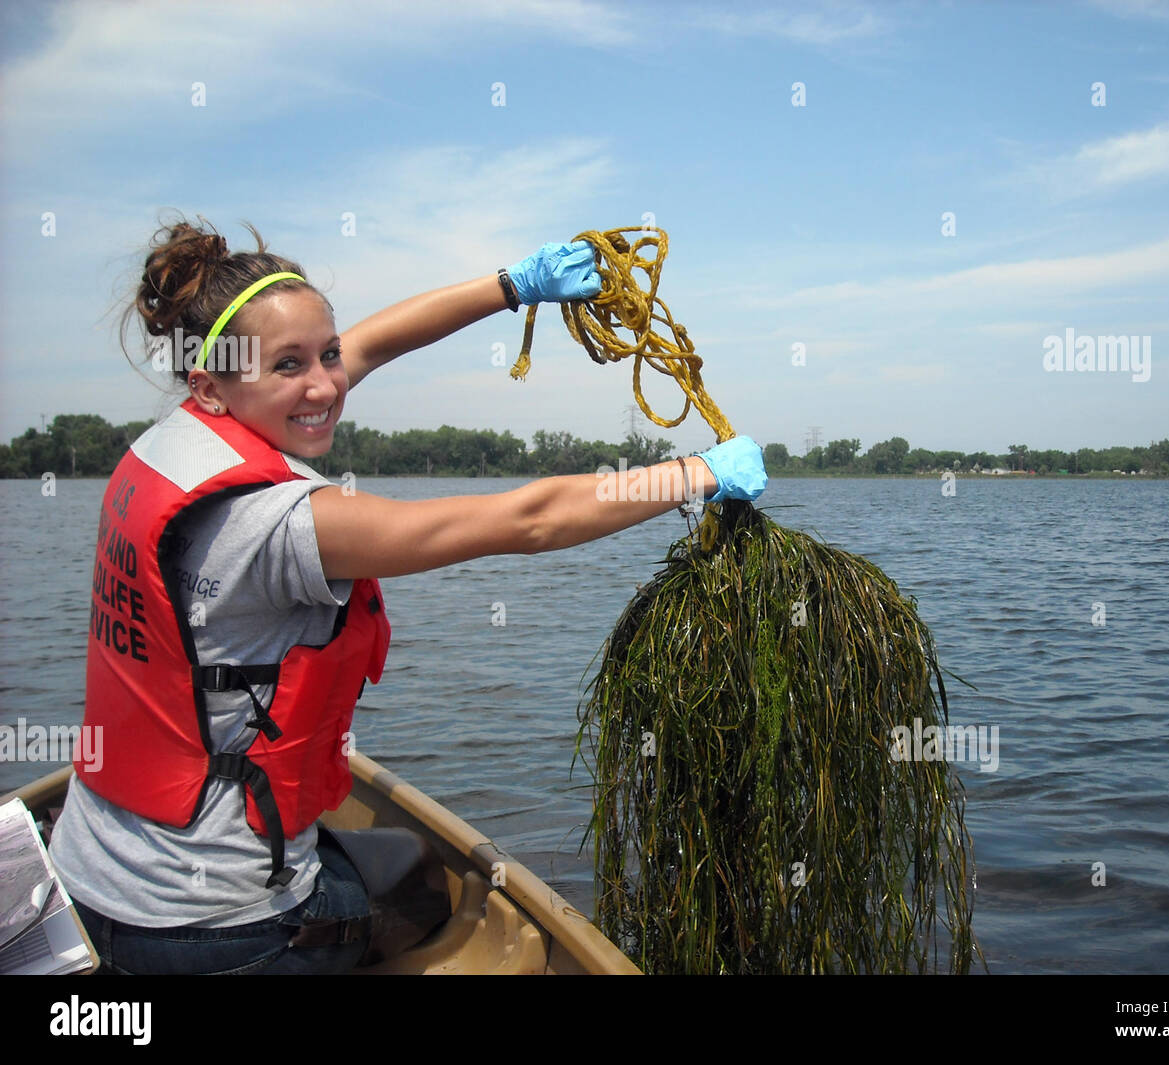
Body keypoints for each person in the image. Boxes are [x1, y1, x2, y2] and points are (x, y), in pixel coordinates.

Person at [48, 217, 766, 974]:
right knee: (427, 879)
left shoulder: (170, 443)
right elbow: (528, 519)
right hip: (211, 925)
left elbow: (376, 341)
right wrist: (694, 476)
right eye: (290, 365)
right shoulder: (283, 524)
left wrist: (513, 287)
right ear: (212, 384)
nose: (326, 383)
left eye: (327, 354)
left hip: (89, 874)